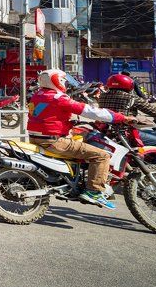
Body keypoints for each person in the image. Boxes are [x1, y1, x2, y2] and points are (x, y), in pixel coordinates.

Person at [27, 68, 136, 209]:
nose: (66, 84)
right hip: (54, 141)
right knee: (102, 156)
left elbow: (44, 116)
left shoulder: (38, 95)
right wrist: (122, 118)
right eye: (64, 81)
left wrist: (68, 123)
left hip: (36, 138)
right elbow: (90, 111)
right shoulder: (59, 98)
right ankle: (94, 191)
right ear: (57, 81)